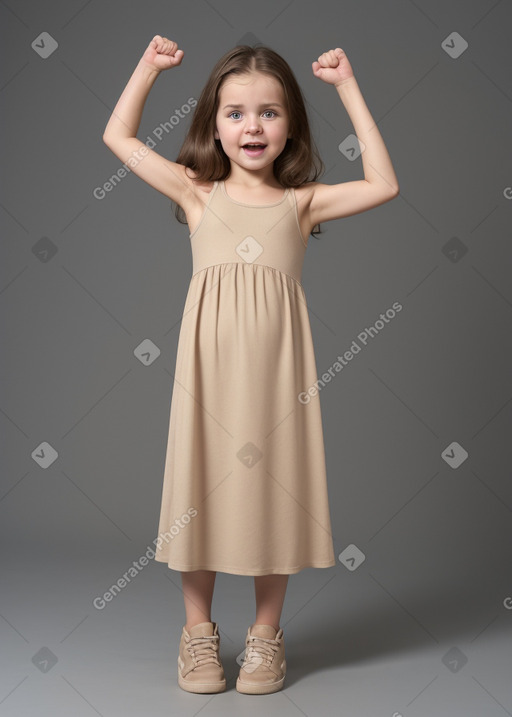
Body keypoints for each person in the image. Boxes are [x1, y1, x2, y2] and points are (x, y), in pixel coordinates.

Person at [102, 35, 399, 696]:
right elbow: (118, 136)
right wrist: (146, 67)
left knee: (275, 493)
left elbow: (385, 181)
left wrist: (347, 86)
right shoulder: (196, 191)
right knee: (200, 493)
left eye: (269, 111)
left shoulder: (302, 203)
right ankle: (197, 634)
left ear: (290, 122)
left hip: (277, 381)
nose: (252, 126)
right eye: (235, 112)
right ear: (214, 123)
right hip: (208, 379)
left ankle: (266, 637)